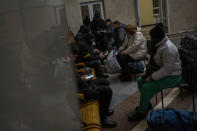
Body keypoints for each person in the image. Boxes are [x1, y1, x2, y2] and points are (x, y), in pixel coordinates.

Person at [128, 23, 182, 121]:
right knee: (140, 81)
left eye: (152, 37)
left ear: (157, 38)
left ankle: (141, 112)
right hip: (165, 73)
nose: (151, 39)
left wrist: (151, 78)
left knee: (146, 88)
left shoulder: (168, 49)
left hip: (173, 76)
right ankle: (146, 104)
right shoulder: (160, 44)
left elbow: (167, 69)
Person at [71, 44, 117, 128]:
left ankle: (103, 110)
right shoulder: (61, 66)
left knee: (105, 81)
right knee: (107, 91)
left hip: (83, 83)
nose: (75, 58)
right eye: (74, 56)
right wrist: (81, 79)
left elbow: (75, 75)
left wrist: (82, 76)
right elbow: (67, 83)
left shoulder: (69, 62)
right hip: (79, 91)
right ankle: (102, 119)